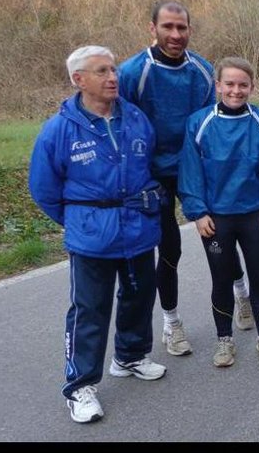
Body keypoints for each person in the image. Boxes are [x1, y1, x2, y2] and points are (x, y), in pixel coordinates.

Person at [29, 46, 167, 424]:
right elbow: (43, 188)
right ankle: (80, 385)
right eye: (102, 71)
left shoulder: (135, 118)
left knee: (139, 296)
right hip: (91, 236)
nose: (112, 78)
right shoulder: (59, 129)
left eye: (113, 70)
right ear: (79, 79)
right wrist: (79, 220)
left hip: (138, 227)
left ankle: (130, 356)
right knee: (90, 309)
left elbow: (151, 163)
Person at [119, 0, 255, 358]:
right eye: (168, 26)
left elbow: (217, 123)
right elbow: (121, 125)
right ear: (153, 29)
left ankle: (242, 293)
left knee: (220, 235)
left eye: (182, 27)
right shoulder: (133, 72)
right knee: (170, 247)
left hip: (198, 168)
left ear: (190, 30)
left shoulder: (203, 71)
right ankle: (171, 322)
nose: (176, 34)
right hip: (154, 175)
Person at [178, 57, 259, 367]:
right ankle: (224, 340)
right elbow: (190, 172)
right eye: (229, 84)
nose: (236, 91)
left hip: (254, 215)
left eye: (243, 85)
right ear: (218, 85)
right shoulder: (199, 122)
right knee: (221, 279)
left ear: (252, 87)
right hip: (216, 219)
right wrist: (198, 212)